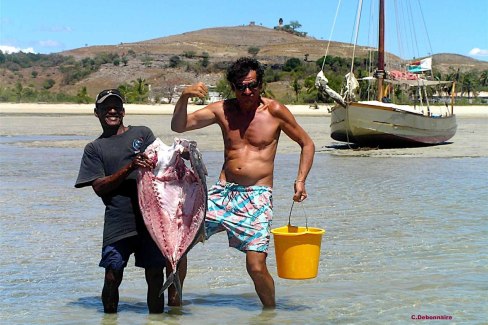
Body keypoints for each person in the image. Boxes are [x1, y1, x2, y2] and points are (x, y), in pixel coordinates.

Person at [171, 57, 315, 308]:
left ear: (261, 84)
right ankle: (174, 308)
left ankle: (270, 314)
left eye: (253, 85)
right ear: (233, 87)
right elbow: (179, 126)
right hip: (222, 193)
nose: (247, 91)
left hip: (257, 196)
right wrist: (184, 97)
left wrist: (300, 180)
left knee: (256, 266)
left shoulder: (275, 111)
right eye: (241, 87)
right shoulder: (223, 110)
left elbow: (307, 143)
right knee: (177, 247)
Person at [75, 89, 187, 313]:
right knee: (112, 274)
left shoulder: (142, 134)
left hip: (152, 221)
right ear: (96, 113)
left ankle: (156, 318)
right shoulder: (94, 149)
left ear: (124, 111)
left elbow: (164, 157)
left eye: (116, 106)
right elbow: (99, 187)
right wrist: (130, 167)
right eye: (106, 107)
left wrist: (181, 153)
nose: (112, 110)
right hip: (119, 220)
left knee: (155, 274)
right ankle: (109, 317)